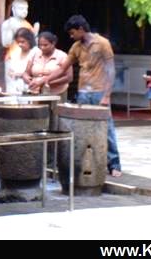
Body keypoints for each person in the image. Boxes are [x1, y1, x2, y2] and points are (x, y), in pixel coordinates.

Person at [44, 14, 122, 178]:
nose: (71, 36)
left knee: (106, 128)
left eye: (73, 33)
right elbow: (62, 68)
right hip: (83, 93)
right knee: (82, 129)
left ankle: (114, 164)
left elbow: (111, 70)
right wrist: (44, 80)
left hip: (99, 92)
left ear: (81, 29)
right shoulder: (76, 47)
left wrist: (107, 95)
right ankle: (85, 163)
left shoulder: (102, 43)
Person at [23, 31, 73, 100]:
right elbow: (26, 73)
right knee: (38, 110)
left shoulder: (62, 56)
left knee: (55, 111)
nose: (42, 47)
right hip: (36, 94)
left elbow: (69, 77)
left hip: (57, 94)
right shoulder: (35, 55)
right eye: (40, 45)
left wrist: (47, 83)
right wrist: (29, 80)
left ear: (53, 43)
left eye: (45, 45)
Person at [4, 27, 37, 94]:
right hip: (14, 89)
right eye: (18, 42)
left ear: (29, 40)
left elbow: (36, 72)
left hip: (30, 90)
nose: (20, 44)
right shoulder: (16, 53)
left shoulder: (36, 52)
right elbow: (10, 72)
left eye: (22, 42)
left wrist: (20, 74)